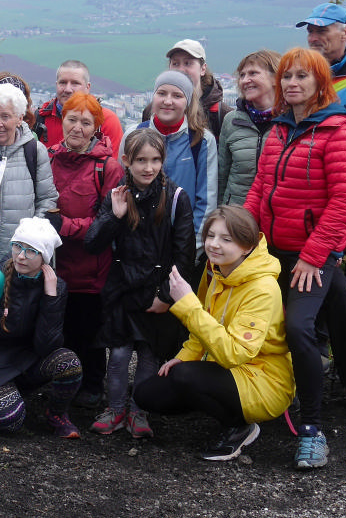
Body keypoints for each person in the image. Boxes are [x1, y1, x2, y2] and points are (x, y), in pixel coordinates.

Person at [244, 47, 346, 471]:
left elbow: (345, 202)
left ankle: (312, 429)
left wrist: (314, 257)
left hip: (312, 253)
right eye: (287, 76)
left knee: (299, 327)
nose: (292, 83)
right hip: (274, 249)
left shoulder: (342, 132)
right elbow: (260, 189)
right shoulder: (278, 130)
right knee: (340, 301)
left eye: (302, 76)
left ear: (321, 83)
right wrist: (244, 240)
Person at [133, 206, 295, 462]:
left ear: (247, 247)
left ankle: (239, 427)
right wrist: (185, 357)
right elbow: (203, 324)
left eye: (226, 239)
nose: (214, 244)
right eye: (211, 236)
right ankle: (214, 401)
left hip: (265, 379)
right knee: (146, 394)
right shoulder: (217, 270)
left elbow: (235, 354)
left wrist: (186, 304)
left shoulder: (262, 288)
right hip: (228, 370)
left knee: (185, 376)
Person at [85, 128, 196, 439]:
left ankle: (139, 411)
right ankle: (115, 408)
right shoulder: (117, 195)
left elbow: (184, 254)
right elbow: (92, 244)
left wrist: (166, 296)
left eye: (156, 160)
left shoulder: (176, 197)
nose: (149, 168)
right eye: (141, 161)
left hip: (157, 289)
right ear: (127, 161)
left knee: (149, 355)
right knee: (119, 354)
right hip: (123, 289)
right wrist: (114, 217)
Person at [0, 217, 82, 438]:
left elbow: (47, 347)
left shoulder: (56, 287)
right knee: (10, 419)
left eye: (31, 251)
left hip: (29, 359)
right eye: (17, 246)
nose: (21, 256)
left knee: (69, 362)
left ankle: (57, 414)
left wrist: (50, 297)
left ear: (44, 257)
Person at [47, 92, 124, 409]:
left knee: (89, 331)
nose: (77, 128)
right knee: (61, 327)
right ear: (62, 120)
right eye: (72, 119)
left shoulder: (108, 167)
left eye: (86, 122)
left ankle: (92, 386)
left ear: (96, 128)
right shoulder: (49, 157)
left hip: (91, 268)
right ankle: (64, 383)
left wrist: (62, 226)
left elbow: (106, 221)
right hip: (55, 264)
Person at [0, 81, 59, 273]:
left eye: (5, 116)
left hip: (19, 263)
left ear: (19, 118)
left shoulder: (35, 151)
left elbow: (47, 200)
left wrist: (28, 244)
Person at [129, 70, 217, 250]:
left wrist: (192, 247)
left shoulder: (201, 141)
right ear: (153, 96)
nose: (168, 101)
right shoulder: (134, 135)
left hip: (183, 241)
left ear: (187, 102)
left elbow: (207, 201)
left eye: (177, 95)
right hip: (138, 242)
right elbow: (122, 189)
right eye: (161, 93)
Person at [218, 50, 281, 207]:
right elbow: (222, 175)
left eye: (253, 73)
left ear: (275, 78)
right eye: (242, 75)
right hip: (236, 213)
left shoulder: (290, 122)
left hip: (274, 212)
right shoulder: (232, 120)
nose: (245, 80)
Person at [33, 60, 124, 149]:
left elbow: (113, 158)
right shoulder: (40, 118)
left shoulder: (107, 120)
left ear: (87, 87)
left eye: (75, 83)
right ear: (56, 85)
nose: (68, 89)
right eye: (63, 83)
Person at [166, 40, 225, 138]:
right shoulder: (155, 111)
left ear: (203, 69)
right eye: (175, 64)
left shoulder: (222, 115)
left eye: (188, 63)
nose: (181, 70)